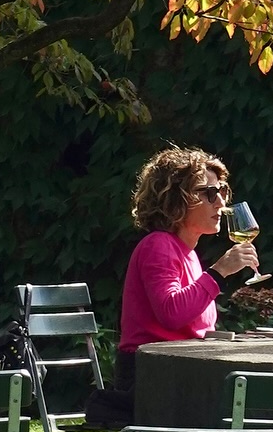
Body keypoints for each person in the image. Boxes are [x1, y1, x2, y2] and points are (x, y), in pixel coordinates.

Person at [108, 147, 260, 412]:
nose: (220, 203)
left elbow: (191, 327)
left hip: (178, 371)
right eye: (209, 193)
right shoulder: (158, 245)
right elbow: (172, 314)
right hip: (151, 377)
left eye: (222, 191)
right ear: (176, 199)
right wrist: (219, 271)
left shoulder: (186, 253)